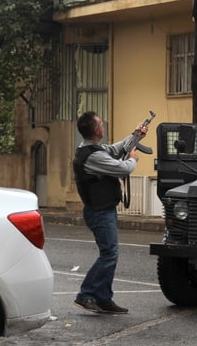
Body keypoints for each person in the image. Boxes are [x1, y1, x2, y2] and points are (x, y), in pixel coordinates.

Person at [72, 111, 148, 314]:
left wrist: (136, 135)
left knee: (109, 254)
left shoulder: (92, 148)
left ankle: (103, 298)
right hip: (99, 212)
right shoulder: (92, 156)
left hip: (103, 209)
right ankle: (86, 294)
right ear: (96, 130)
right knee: (109, 254)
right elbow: (122, 168)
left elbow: (115, 149)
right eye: (100, 123)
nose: (103, 125)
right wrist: (133, 159)